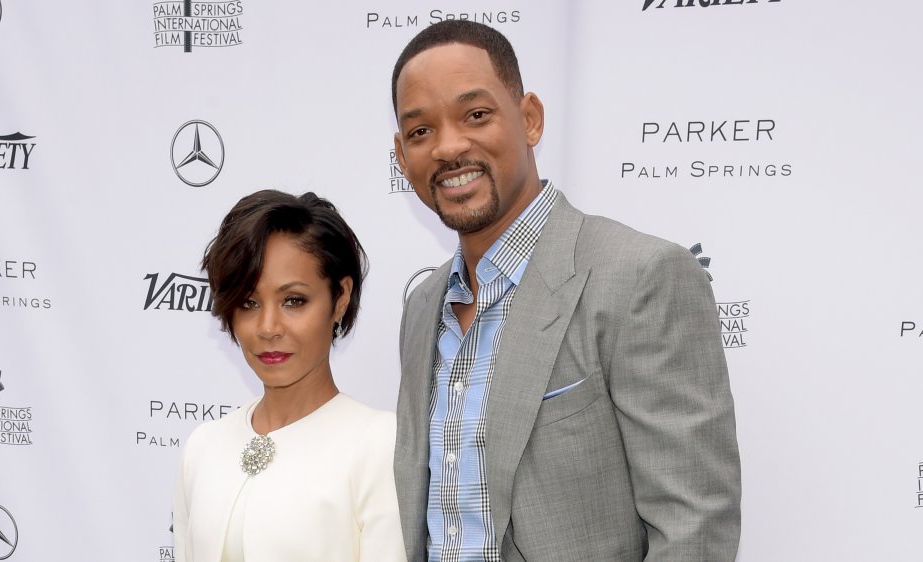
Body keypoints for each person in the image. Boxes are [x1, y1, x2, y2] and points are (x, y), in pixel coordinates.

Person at [390, 20, 741, 561]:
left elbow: (694, 528)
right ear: (401, 154)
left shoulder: (639, 277)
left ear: (529, 119)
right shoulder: (422, 308)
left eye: (475, 115)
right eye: (420, 132)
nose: (449, 147)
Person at [173, 190, 406, 562]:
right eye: (248, 302)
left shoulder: (378, 445)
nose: (268, 327)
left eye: (293, 300)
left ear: (340, 298)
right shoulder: (203, 446)